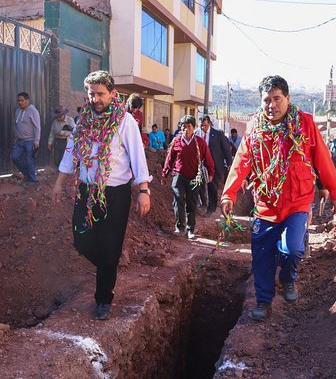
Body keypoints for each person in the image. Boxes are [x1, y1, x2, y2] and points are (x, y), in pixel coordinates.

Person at [220, 75, 336, 322]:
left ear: (288, 99)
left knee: (293, 248)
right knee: (262, 257)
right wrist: (229, 194)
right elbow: (242, 161)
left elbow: (323, 160)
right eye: (267, 99)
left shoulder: (305, 124)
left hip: (297, 202)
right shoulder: (255, 127)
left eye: (277, 99)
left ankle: (288, 278)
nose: (272, 105)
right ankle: (264, 302)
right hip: (266, 204)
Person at [51, 70, 151, 320]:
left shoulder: (125, 121)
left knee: (109, 247)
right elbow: (70, 152)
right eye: (91, 93)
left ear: (112, 94)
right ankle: (109, 264)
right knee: (80, 238)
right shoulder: (82, 121)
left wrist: (143, 191)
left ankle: (104, 298)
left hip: (115, 195)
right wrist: (59, 182)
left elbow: (138, 157)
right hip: (86, 192)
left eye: (100, 94)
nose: (95, 98)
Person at [162, 114, 214, 239]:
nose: (186, 129)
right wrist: (165, 174)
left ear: (194, 128)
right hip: (179, 175)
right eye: (183, 127)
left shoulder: (200, 143)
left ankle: (191, 229)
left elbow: (208, 159)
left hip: (194, 177)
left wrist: (211, 173)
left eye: (188, 126)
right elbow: (170, 159)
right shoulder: (176, 141)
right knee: (178, 198)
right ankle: (180, 227)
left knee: (191, 202)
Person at [199, 115, 232, 215]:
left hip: (215, 165)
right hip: (201, 165)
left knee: (212, 186)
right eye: (201, 126)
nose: (203, 128)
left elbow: (226, 149)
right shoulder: (197, 133)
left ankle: (211, 208)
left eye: (205, 125)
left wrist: (229, 163)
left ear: (209, 123)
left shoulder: (217, 134)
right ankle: (203, 203)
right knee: (200, 185)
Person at [12, 92, 41, 182]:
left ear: (27, 101)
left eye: (22, 100)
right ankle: (26, 174)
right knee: (15, 157)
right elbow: (16, 125)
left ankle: (32, 180)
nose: (20, 102)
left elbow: (37, 127)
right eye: (19, 101)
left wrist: (37, 140)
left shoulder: (33, 111)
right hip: (20, 141)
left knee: (30, 161)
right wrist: (16, 136)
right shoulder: (18, 111)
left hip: (30, 141)